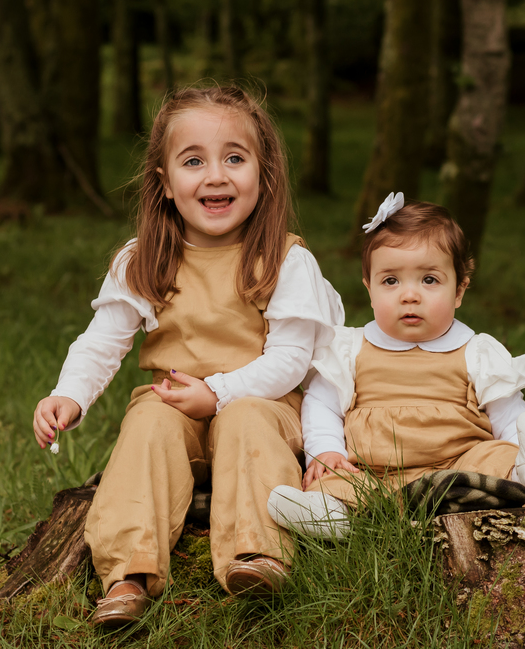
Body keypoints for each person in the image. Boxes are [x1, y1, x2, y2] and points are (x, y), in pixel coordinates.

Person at [31, 85, 342, 625]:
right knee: (149, 421)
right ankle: (127, 574)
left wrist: (219, 394)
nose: (216, 176)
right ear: (165, 181)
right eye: (194, 161)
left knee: (246, 421)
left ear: (264, 175)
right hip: (175, 401)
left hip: (262, 403)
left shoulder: (283, 259)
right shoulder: (145, 259)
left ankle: (257, 553)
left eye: (235, 159)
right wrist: (69, 395)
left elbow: (291, 358)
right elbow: (103, 340)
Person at [267, 193, 525, 538]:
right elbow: (321, 405)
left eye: (429, 280)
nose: (409, 295)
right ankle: (330, 513)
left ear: (459, 291)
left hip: (458, 467)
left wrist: (516, 448)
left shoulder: (476, 352)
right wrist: (326, 451)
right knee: (338, 479)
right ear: (370, 290)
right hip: (373, 473)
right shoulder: (349, 349)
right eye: (391, 281)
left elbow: (508, 416)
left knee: (496, 455)